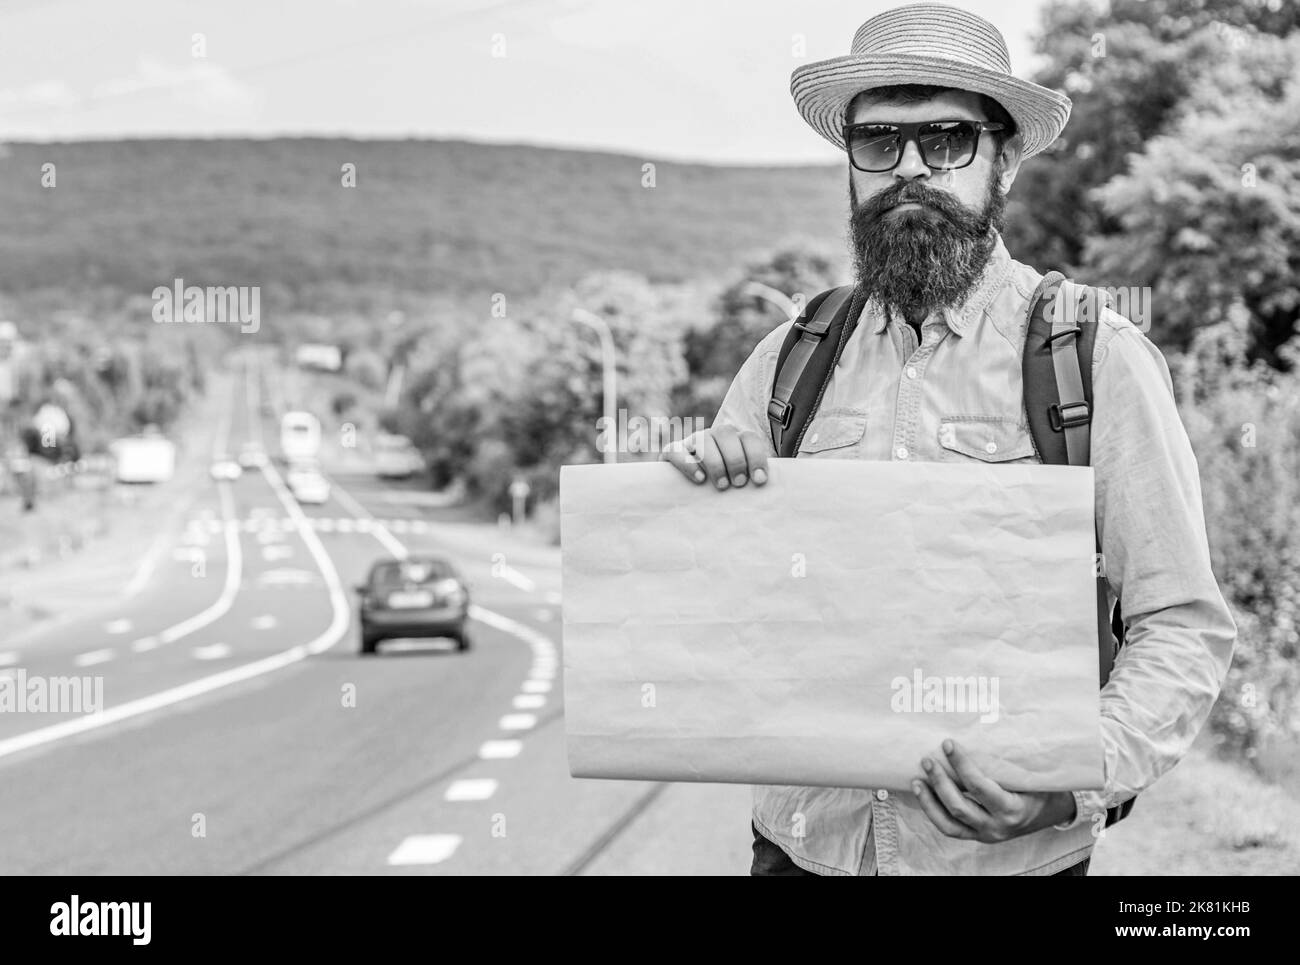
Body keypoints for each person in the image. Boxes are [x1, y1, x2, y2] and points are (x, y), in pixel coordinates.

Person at [662, 3, 1236, 876]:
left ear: (1002, 158)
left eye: (947, 140)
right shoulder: (786, 364)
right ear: (848, 159)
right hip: (797, 854)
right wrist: (699, 512)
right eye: (879, 140)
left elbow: (1180, 625)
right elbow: (720, 616)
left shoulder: (1092, 358)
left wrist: (1068, 785)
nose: (909, 170)